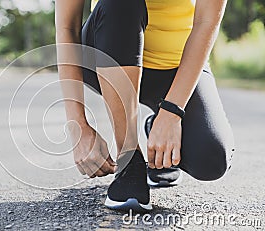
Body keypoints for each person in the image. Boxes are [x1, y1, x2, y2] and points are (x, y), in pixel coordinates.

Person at [55, 0, 235, 212]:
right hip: (106, 51)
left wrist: (172, 114)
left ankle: (156, 130)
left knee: (211, 160)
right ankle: (129, 159)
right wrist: (78, 126)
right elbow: (67, 28)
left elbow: (206, 21)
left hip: (177, 66)